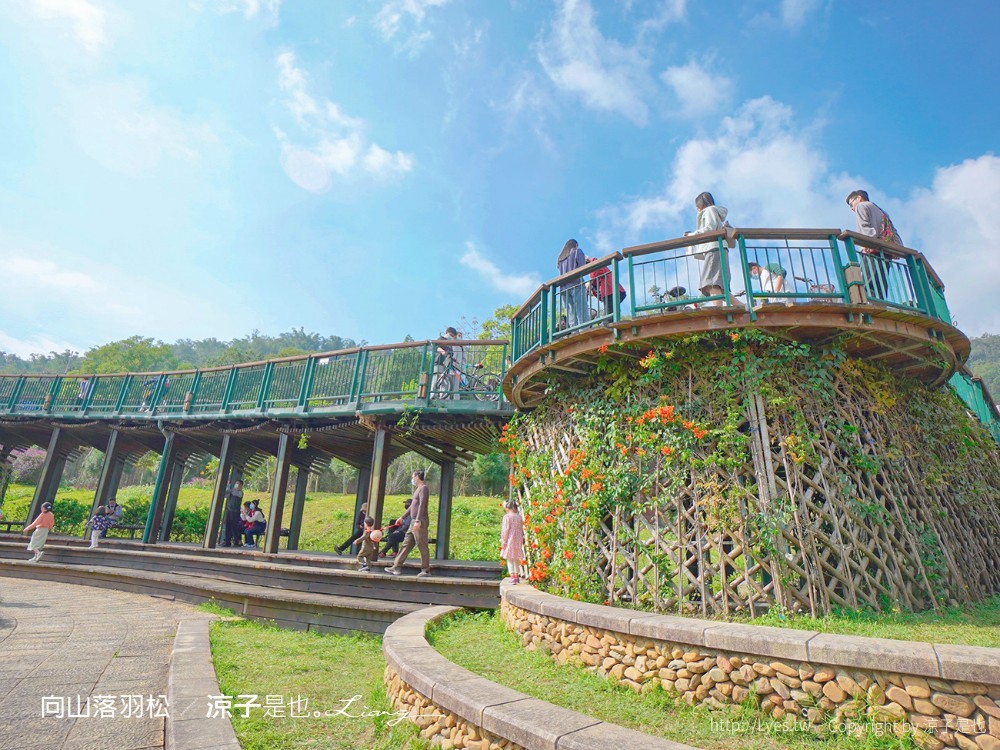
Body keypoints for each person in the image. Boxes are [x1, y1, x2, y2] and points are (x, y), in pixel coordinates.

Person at [846, 189, 903, 301]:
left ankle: (871, 305)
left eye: (851, 204)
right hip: (886, 252)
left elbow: (865, 227)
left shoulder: (861, 206)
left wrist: (867, 243)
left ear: (859, 198)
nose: (852, 208)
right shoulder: (882, 211)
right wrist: (898, 249)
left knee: (869, 282)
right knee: (881, 282)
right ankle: (880, 303)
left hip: (872, 249)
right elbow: (893, 232)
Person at [384, 470, 430, 577]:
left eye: (413, 476)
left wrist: (418, 520)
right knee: (406, 544)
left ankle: (425, 570)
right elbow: (412, 506)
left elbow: (422, 505)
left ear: (417, 477)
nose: (412, 479)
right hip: (413, 521)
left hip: (420, 521)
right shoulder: (417, 489)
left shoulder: (424, 488)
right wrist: (402, 517)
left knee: (421, 545)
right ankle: (396, 567)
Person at [690, 192, 730, 307]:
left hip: (714, 248)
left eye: (697, 205)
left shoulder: (709, 210)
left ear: (702, 204)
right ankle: (742, 305)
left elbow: (709, 228)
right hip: (719, 248)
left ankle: (718, 309)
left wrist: (693, 235)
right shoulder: (713, 211)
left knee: (710, 282)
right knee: (718, 283)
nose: (697, 208)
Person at [556, 239, 588, 329]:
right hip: (576, 283)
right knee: (581, 309)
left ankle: (574, 331)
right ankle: (584, 329)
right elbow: (582, 267)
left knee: (570, 311)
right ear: (576, 245)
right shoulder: (577, 251)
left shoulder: (560, 258)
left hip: (563, 287)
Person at [435, 327, 465, 399]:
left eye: (460, 336)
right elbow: (438, 347)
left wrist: (462, 365)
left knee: (455, 385)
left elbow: (464, 358)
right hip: (448, 366)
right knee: (445, 383)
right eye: (458, 335)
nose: (459, 337)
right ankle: (443, 398)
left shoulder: (461, 347)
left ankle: (455, 400)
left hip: (457, 369)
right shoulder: (447, 341)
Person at [500, 498, 525, 584]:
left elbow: (505, 530)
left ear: (507, 508)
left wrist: (503, 541)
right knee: (516, 559)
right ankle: (517, 576)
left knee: (509, 559)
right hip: (518, 540)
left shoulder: (507, 517)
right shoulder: (519, 517)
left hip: (510, 540)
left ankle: (512, 576)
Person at [221, 480, 245, 548]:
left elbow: (235, 493)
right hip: (229, 511)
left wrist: (231, 489)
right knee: (228, 526)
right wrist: (227, 487)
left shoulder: (240, 492)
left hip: (235, 512)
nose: (236, 485)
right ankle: (227, 542)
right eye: (236, 483)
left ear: (241, 485)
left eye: (238, 484)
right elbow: (225, 495)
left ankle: (236, 542)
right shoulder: (231, 491)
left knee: (234, 527)